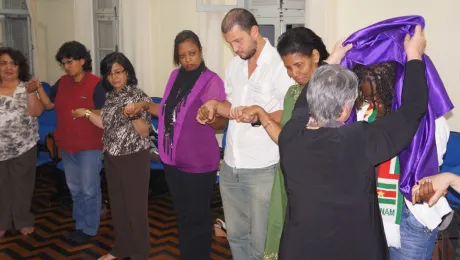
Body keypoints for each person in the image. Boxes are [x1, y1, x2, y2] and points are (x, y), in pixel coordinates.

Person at [275, 25, 427, 259]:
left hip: (300, 251)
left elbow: (302, 106)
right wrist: (414, 56)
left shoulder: (290, 136)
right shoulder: (359, 140)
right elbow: (413, 109)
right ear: (347, 108)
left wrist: (331, 61)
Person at [231, 27, 350, 260]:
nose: (293, 73)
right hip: (289, 177)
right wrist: (262, 115)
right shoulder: (292, 93)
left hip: (321, 183)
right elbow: (288, 141)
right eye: (288, 67)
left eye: (299, 65)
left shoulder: (338, 90)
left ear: (315, 57)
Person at [196, 8, 294, 260]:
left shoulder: (279, 64)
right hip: (230, 166)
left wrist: (260, 115)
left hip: (263, 168)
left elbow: (289, 112)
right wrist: (215, 106)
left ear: (254, 31)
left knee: (261, 242)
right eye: (231, 44)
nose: (235, 48)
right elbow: (232, 107)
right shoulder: (234, 66)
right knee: (235, 236)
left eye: (238, 41)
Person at [125, 30, 226, 260]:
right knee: (183, 215)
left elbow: (221, 121)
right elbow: (165, 111)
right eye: (182, 56)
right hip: (172, 160)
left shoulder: (212, 81)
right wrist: (143, 104)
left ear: (200, 51)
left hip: (199, 162)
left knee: (198, 217)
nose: (188, 59)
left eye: (192, 53)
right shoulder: (174, 76)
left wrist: (210, 116)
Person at [354, 62, 451, 259]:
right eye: (368, 98)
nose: (374, 104)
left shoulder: (430, 123)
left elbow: (429, 169)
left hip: (410, 217)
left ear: (395, 89)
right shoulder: (365, 115)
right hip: (371, 216)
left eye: (379, 98)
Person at [72, 52, 152, 260]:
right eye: (109, 74)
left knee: (135, 209)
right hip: (112, 156)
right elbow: (105, 124)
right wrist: (88, 113)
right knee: (118, 206)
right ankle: (121, 248)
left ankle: (140, 254)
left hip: (134, 157)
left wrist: (133, 115)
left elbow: (144, 131)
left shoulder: (138, 96)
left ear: (127, 72)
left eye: (118, 72)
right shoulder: (111, 96)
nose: (114, 77)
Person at [32, 41, 106, 243]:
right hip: (66, 144)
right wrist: (38, 89)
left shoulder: (96, 84)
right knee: (75, 189)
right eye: (63, 63)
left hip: (89, 146)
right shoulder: (63, 82)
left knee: (90, 189)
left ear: (82, 60)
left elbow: (107, 114)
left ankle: (89, 228)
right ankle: (80, 224)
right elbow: (49, 105)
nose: (66, 67)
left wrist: (88, 112)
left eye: (70, 62)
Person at [0, 47, 44, 238]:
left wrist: (32, 93)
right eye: (3, 63)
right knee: (2, 186)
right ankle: (2, 223)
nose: (8, 67)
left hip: (24, 146)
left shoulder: (27, 87)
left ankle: (23, 220)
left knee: (22, 186)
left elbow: (36, 112)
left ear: (20, 67)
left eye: (13, 63)